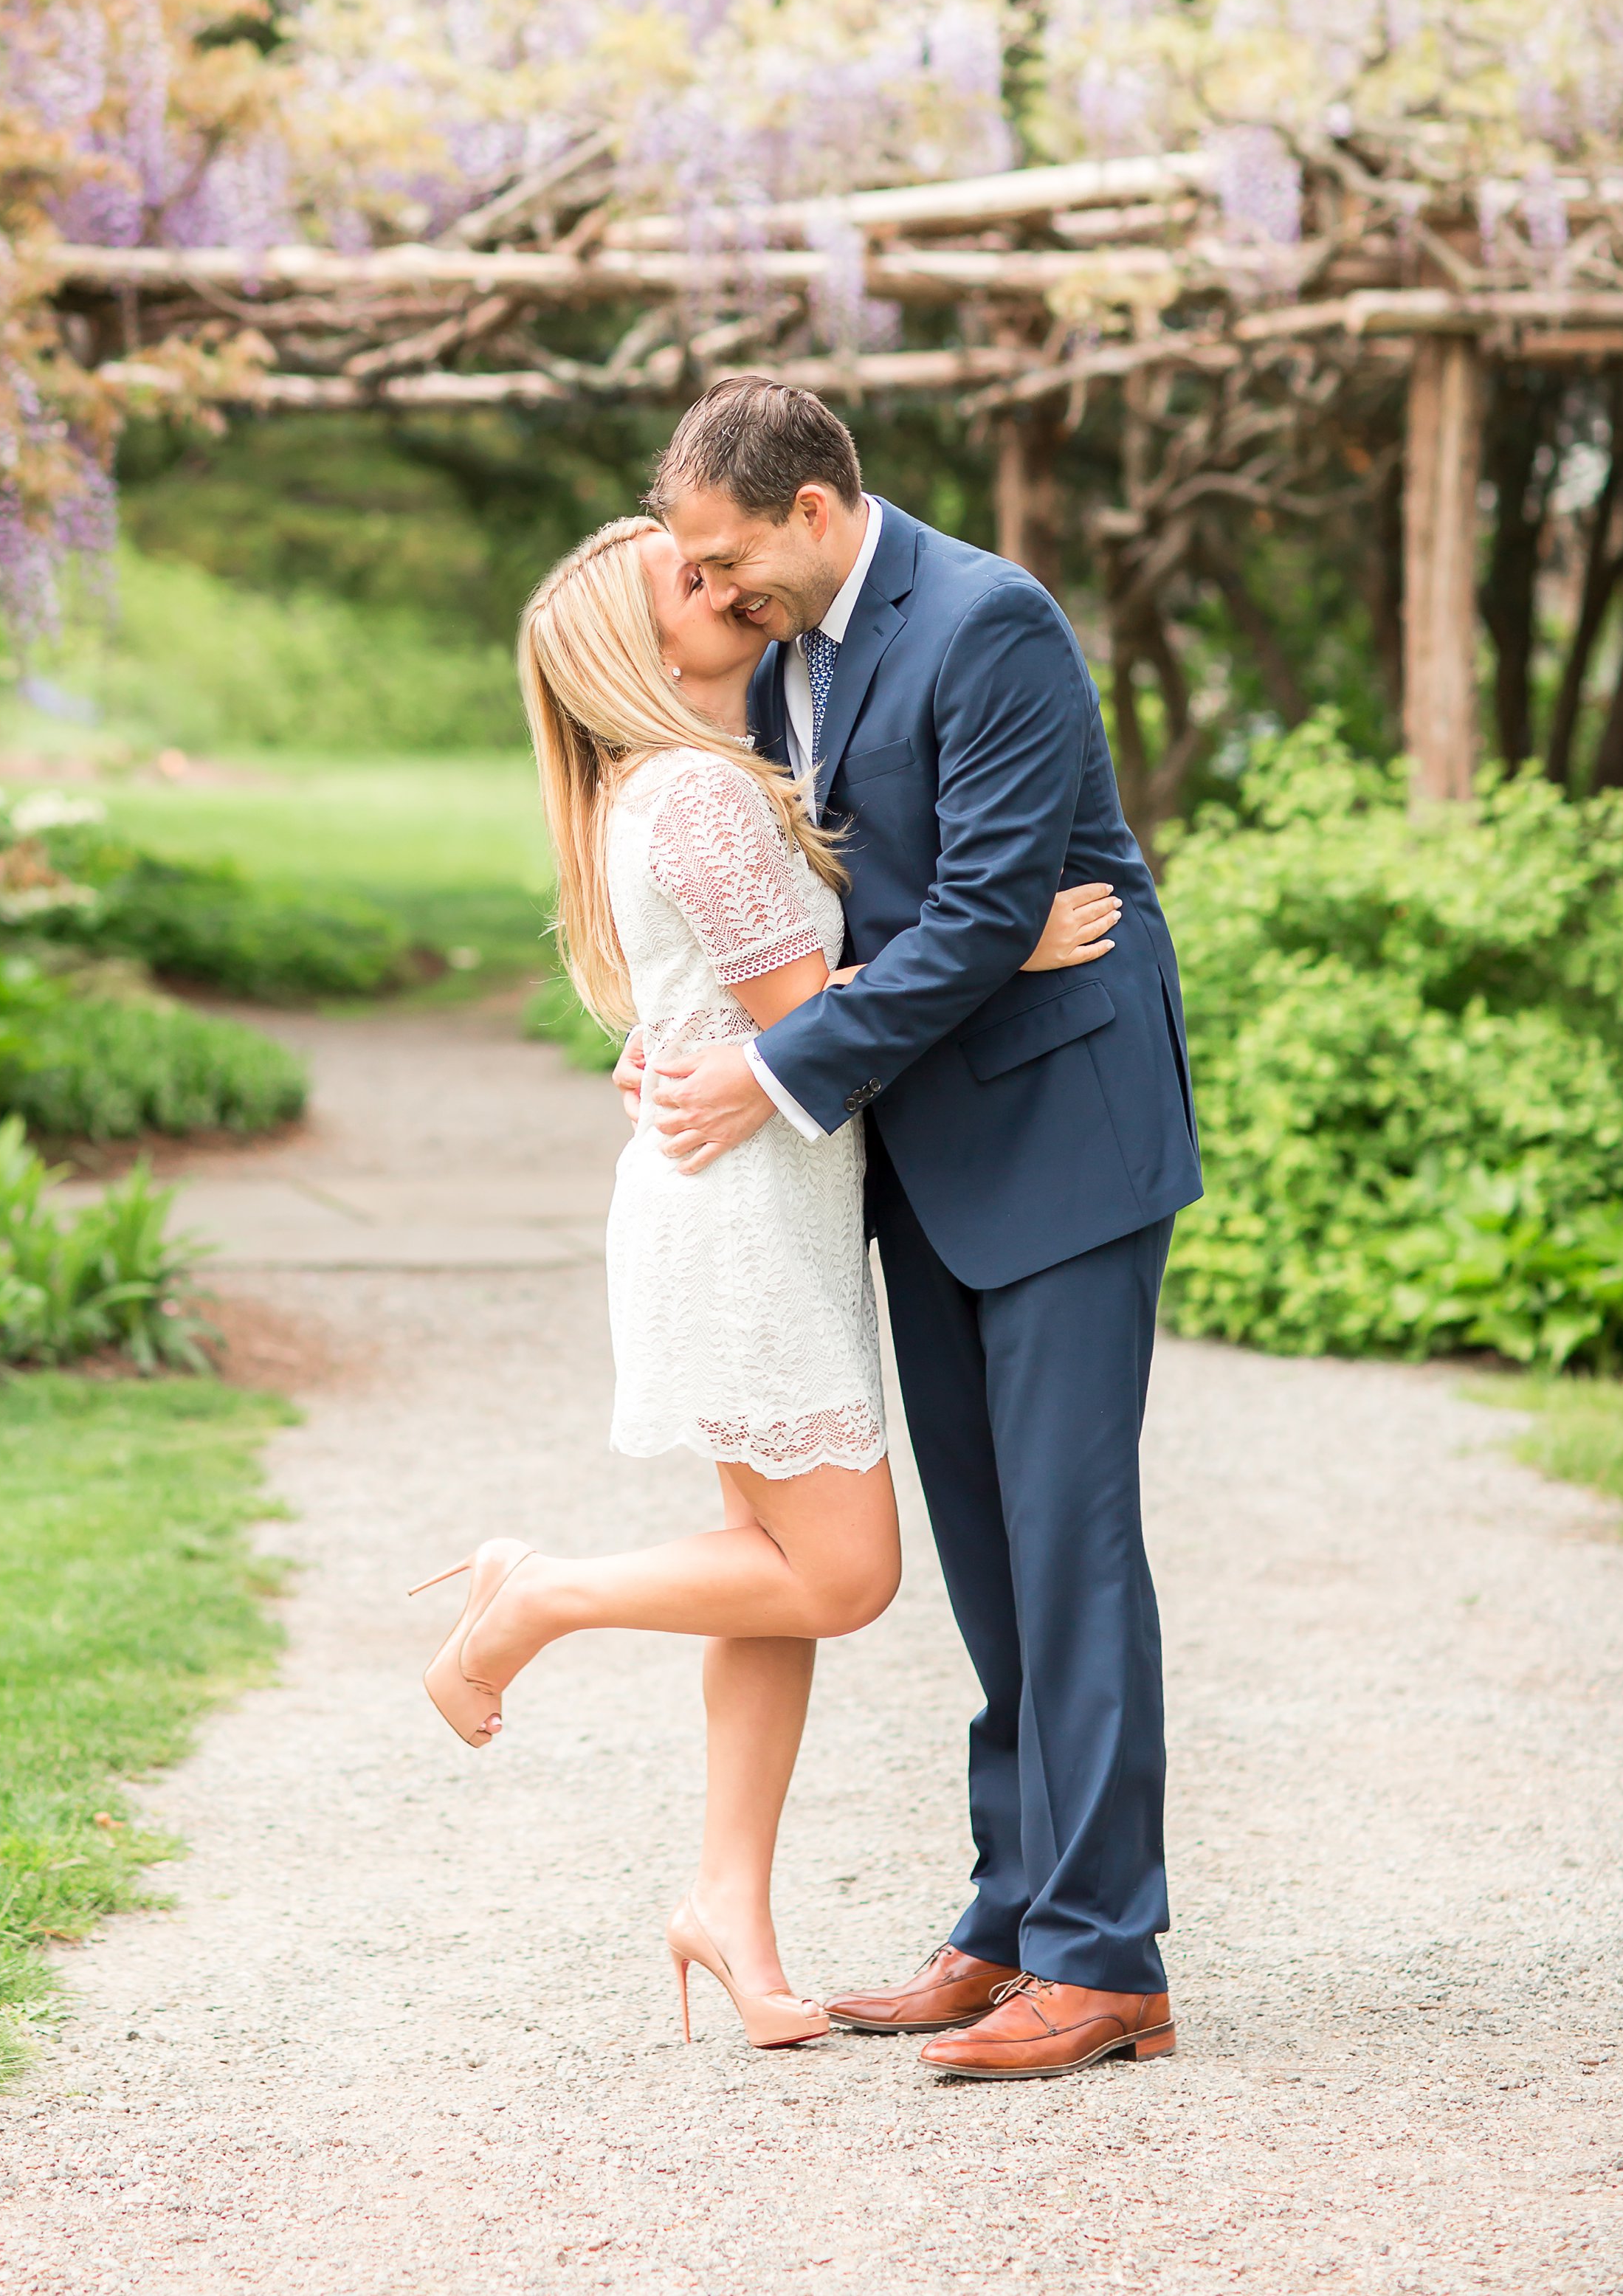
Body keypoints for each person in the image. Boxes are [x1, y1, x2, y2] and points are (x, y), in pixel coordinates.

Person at [413, 510, 1120, 2054]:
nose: (723, 584)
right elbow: (807, 1013)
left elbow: (741, 1016)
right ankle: (538, 1595)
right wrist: (1012, 945)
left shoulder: (664, 789)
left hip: (746, 1197)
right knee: (838, 1572)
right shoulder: (695, 796)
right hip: (743, 1221)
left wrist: (690, 1046)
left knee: (765, 1562)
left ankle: (725, 1903)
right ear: (647, 647)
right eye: (689, 581)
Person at [630, 375, 1202, 2082]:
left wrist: (766, 1075)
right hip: (924, 1151)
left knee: (1067, 1539)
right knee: (983, 1545)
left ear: (812, 510)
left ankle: (1107, 1962)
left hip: (1061, 1135)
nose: (718, 595)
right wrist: (681, 1038)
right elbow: (833, 899)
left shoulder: (987, 622)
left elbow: (985, 911)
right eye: (697, 571)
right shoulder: (794, 647)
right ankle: (1010, 1914)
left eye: (731, 559)